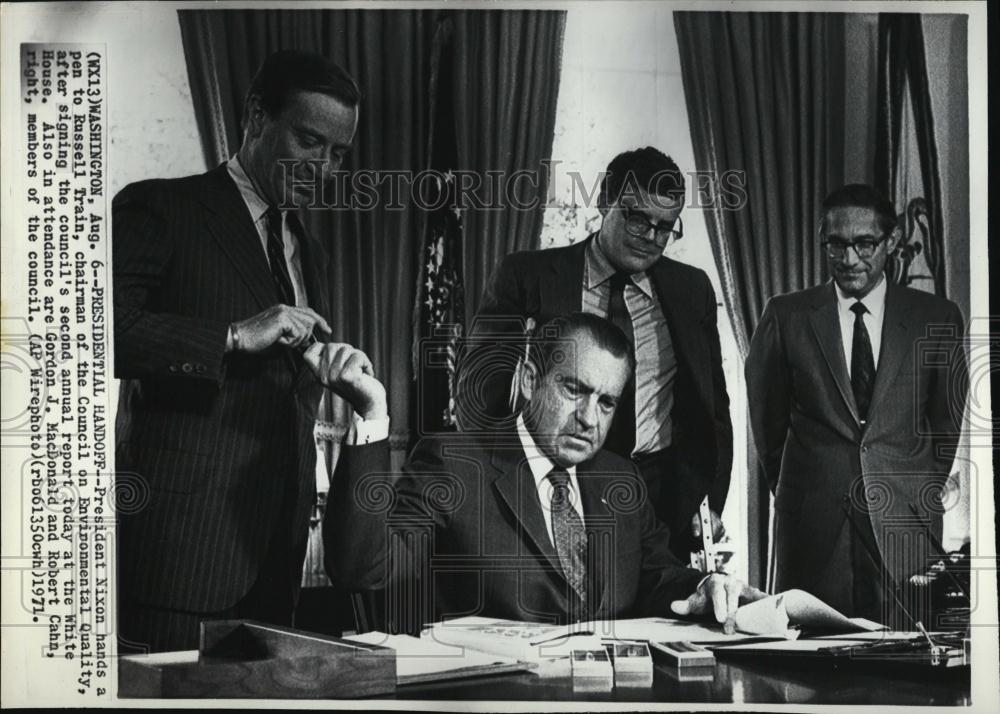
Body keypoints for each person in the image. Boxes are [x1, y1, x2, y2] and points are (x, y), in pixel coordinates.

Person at [113, 50, 360, 652]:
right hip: (179, 555)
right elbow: (89, 334)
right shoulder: (160, 207)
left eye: (338, 153)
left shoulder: (311, 252)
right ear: (255, 117)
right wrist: (230, 335)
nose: (323, 167)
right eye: (309, 140)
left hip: (277, 557)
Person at [317, 313, 761, 630]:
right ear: (530, 380)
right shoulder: (454, 463)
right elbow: (361, 568)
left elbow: (656, 575)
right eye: (574, 389)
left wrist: (706, 586)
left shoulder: (619, 479)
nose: (590, 418)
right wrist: (372, 412)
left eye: (607, 402)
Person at [456, 147, 732, 559]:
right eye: (638, 218)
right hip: (557, 484)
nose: (651, 238)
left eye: (665, 227)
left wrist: (706, 500)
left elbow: (713, 409)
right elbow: (478, 396)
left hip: (660, 498)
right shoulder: (526, 276)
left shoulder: (693, 290)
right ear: (606, 200)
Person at [745, 184, 967, 624]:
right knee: (806, 668)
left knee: (908, 665)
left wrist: (909, 488)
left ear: (892, 241)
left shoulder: (936, 317)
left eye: (864, 244)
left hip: (907, 527)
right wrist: (807, 487)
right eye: (837, 245)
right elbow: (767, 425)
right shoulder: (785, 315)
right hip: (812, 525)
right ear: (824, 242)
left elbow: (945, 423)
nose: (849, 260)